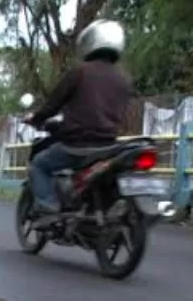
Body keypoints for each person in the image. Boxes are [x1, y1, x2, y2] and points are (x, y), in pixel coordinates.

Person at [24, 19, 132, 214]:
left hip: (77, 146)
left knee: (39, 165)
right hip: (108, 147)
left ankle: (49, 204)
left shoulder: (80, 71)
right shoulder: (123, 78)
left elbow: (53, 103)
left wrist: (37, 118)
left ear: (90, 43)